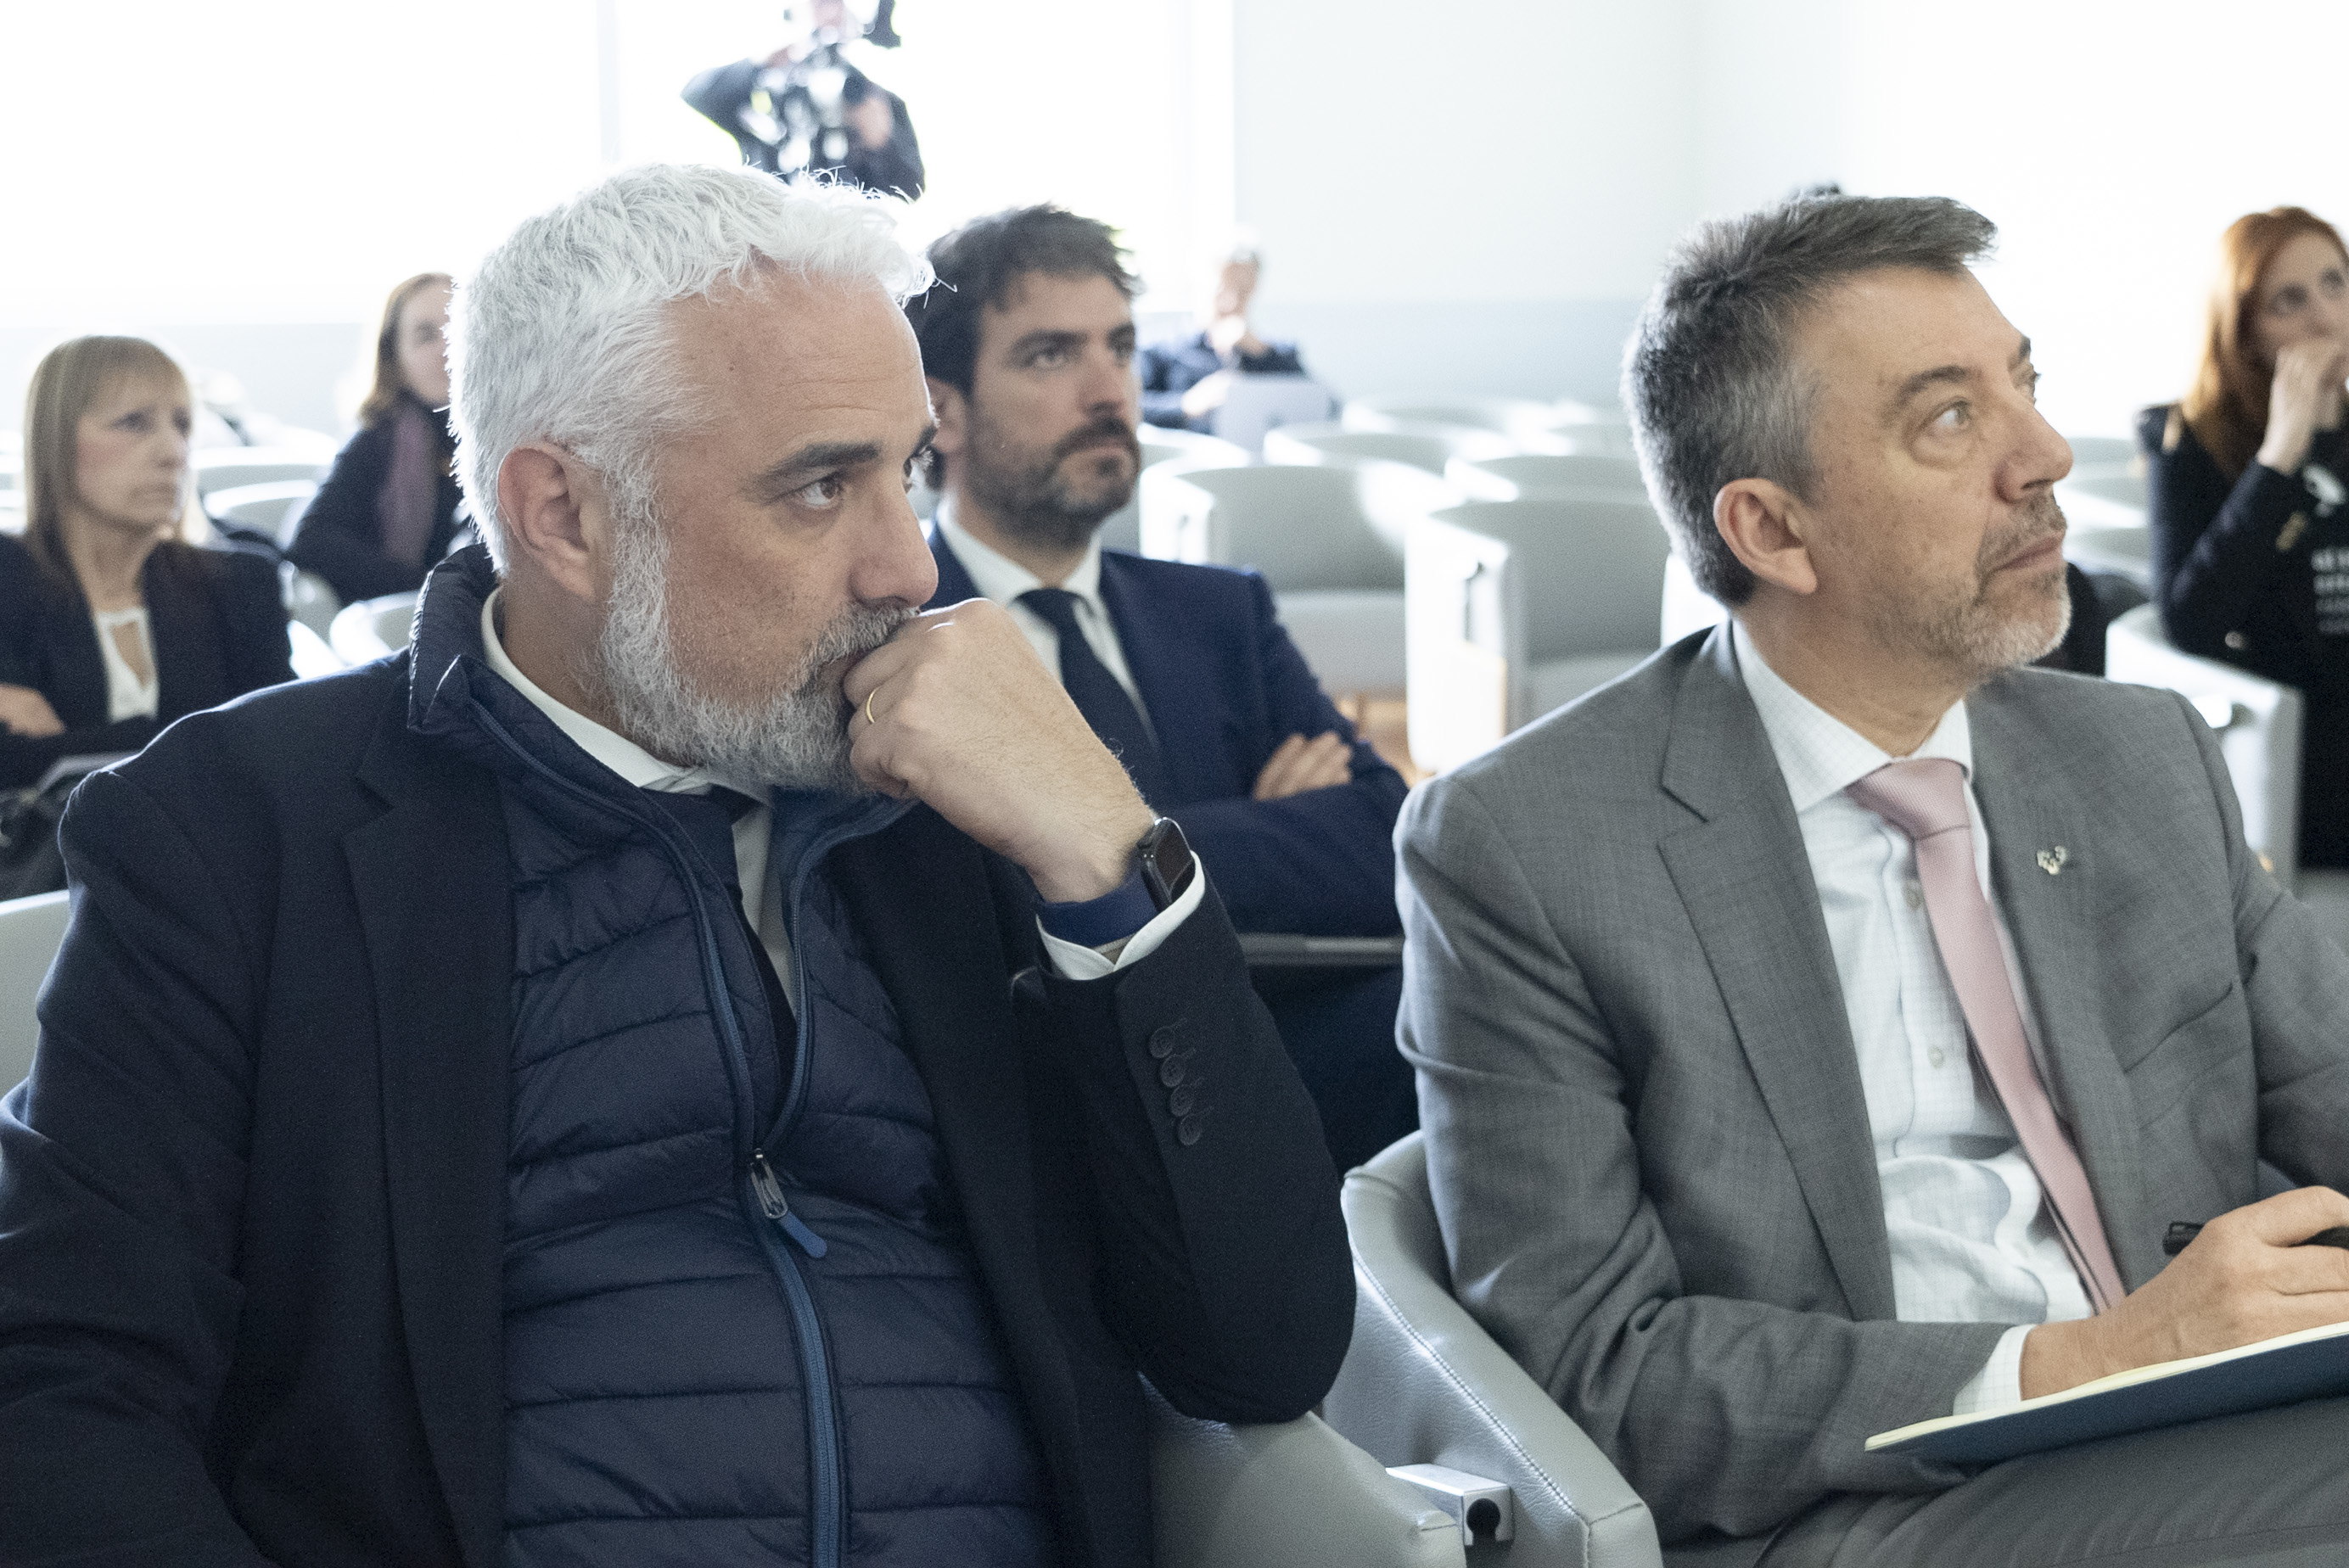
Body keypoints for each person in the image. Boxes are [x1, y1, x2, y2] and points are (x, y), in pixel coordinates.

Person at [0, 165, 1351, 1566]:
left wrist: (1107, 853)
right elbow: (65, 1392)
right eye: (820, 487)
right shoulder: (240, 831)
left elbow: (1263, 1350)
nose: (908, 570)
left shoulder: (964, 808)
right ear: (564, 515)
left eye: (905, 475)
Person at [1400, 192, 2349, 1567]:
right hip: (1868, 1503)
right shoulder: (1527, 847)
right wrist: (2092, 1357)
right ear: (1774, 531)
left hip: (2209, 1433)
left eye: (2023, 383)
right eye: (1949, 418)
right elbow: (1600, 1372)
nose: (2042, 455)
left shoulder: (2140, 755)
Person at [906, 204, 1416, 1171]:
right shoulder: (905, 642)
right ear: (944, 413)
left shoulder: (1221, 612)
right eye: (1050, 355)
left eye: (1122, 347)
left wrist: (1091, 844)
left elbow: (1380, 839)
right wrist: (1249, 825)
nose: (1110, 391)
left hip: (1275, 1052)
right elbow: (977, 914)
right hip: (1035, 1097)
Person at [2143, 206, 2349, 869]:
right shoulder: (2187, 439)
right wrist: (2281, 453)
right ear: (2247, 333)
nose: (2325, 317)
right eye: (2290, 301)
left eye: (2335, 284)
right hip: (2299, 739)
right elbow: (2190, 621)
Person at [0, 335, 292, 792]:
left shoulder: (242, 583)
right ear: (55, 439)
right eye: (133, 423)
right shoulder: (7, 575)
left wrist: (67, 747)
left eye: (182, 425)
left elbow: (278, 748)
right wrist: (202, 736)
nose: (173, 453)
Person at [283, 272, 469, 604]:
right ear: (394, 359)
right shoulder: (375, 439)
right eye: (426, 336)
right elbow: (311, 541)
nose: (447, 347)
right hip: (408, 617)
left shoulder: (510, 437)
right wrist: (436, 588)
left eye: (458, 329)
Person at [685, 0, 924, 199]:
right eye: (819, 3)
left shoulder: (869, 97)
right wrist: (759, 63)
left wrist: (880, 146)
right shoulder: (769, 89)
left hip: (845, 234)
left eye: (837, 3)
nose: (829, 12)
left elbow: (912, 189)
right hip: (774, 228)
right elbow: (697, 94)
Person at [1137, 246, 1309, 432]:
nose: (1232, 303)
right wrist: (1185, 406)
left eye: (1243, 292)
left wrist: (1263, 353)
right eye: (1221, 290)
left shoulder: (1274, 354)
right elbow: (1132, 407)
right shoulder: (1162, 350)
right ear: (1198, 287)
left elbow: (1317, 403)